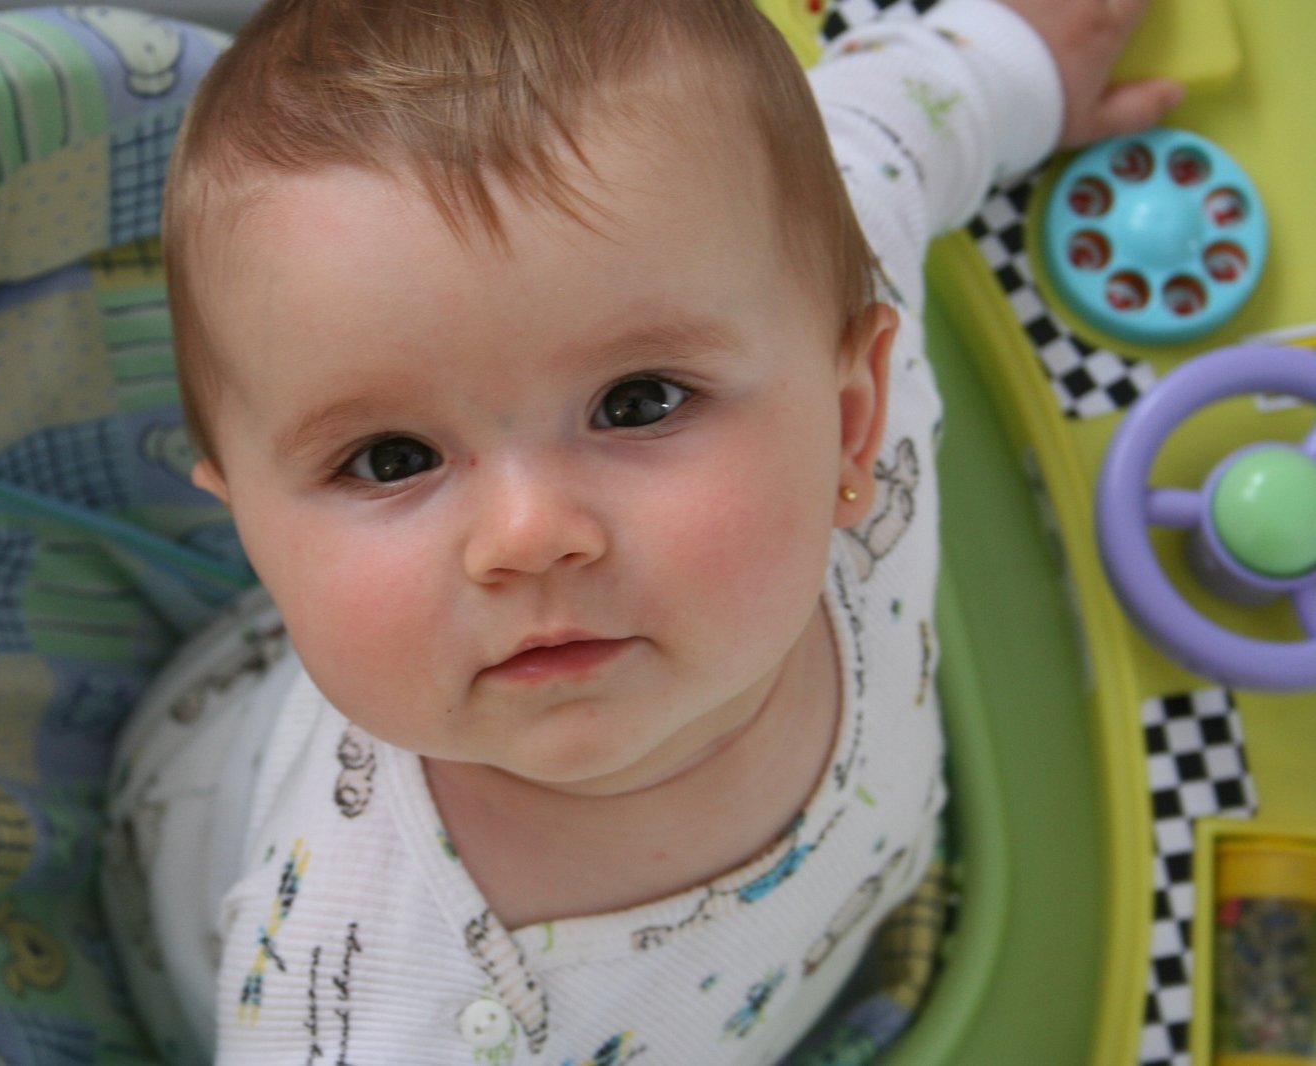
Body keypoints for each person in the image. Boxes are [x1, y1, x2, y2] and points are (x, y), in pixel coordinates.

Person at [99, 0, 1178, 1061]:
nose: (526, 535)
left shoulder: (823, 318)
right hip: (185, 874)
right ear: (252, 533)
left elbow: (887, 128)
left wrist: (1021, 61)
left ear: (852, 421)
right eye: (390, 459)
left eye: (638, 402)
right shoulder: (365, 1004)